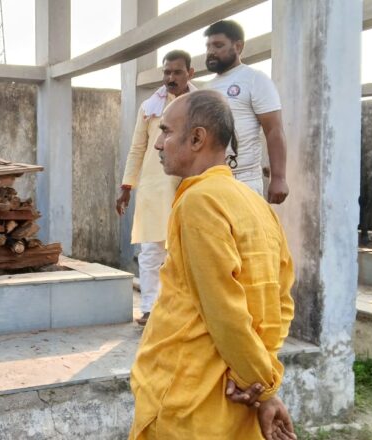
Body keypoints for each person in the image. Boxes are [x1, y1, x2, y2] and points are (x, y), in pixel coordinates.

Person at [128, 90, 296, 439]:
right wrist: (263, 385)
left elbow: (224, 311)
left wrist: (260, 385)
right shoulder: (257, 205)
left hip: (190, 391)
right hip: (237, 394)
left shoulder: (198, 202)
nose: (158, 144)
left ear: (197, 138)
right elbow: (281, 304)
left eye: (166, 131)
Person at [116, 50, 196, 326]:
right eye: (166, 72)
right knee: (151, 251)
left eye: (177, 72)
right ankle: (150, 308)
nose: (170, 78)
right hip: (154, 185)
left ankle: (182, 311)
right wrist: (127, 186)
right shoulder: (149, 107)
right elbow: (137, 147)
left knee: (186, 251)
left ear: (190, 73)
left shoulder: (200, 104)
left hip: (190, 185)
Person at [203, 20, 290, 204]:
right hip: (210, 179)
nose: (211, 51)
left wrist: (279, 178)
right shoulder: (206, 88)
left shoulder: (254, 79)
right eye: (208, 46)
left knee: (246, 233)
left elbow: (274, 130)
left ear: (238, 46)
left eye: (218, 45)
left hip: (244, 179)